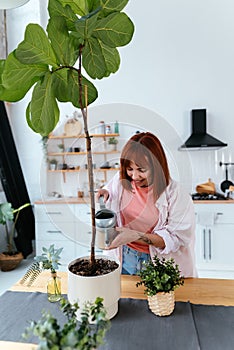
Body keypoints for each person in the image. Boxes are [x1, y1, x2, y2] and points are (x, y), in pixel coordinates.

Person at [97, 132, 197, 277]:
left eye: (141, 170)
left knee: (159, 300)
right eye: (130, 169)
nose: (135, 176)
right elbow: (109, 190)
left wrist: (135, 236)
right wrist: (104, 193)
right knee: (123, 298)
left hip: (157, 262)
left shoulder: (176, 194)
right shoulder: (121, 181)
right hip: (124, 257)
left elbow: (176, 239)